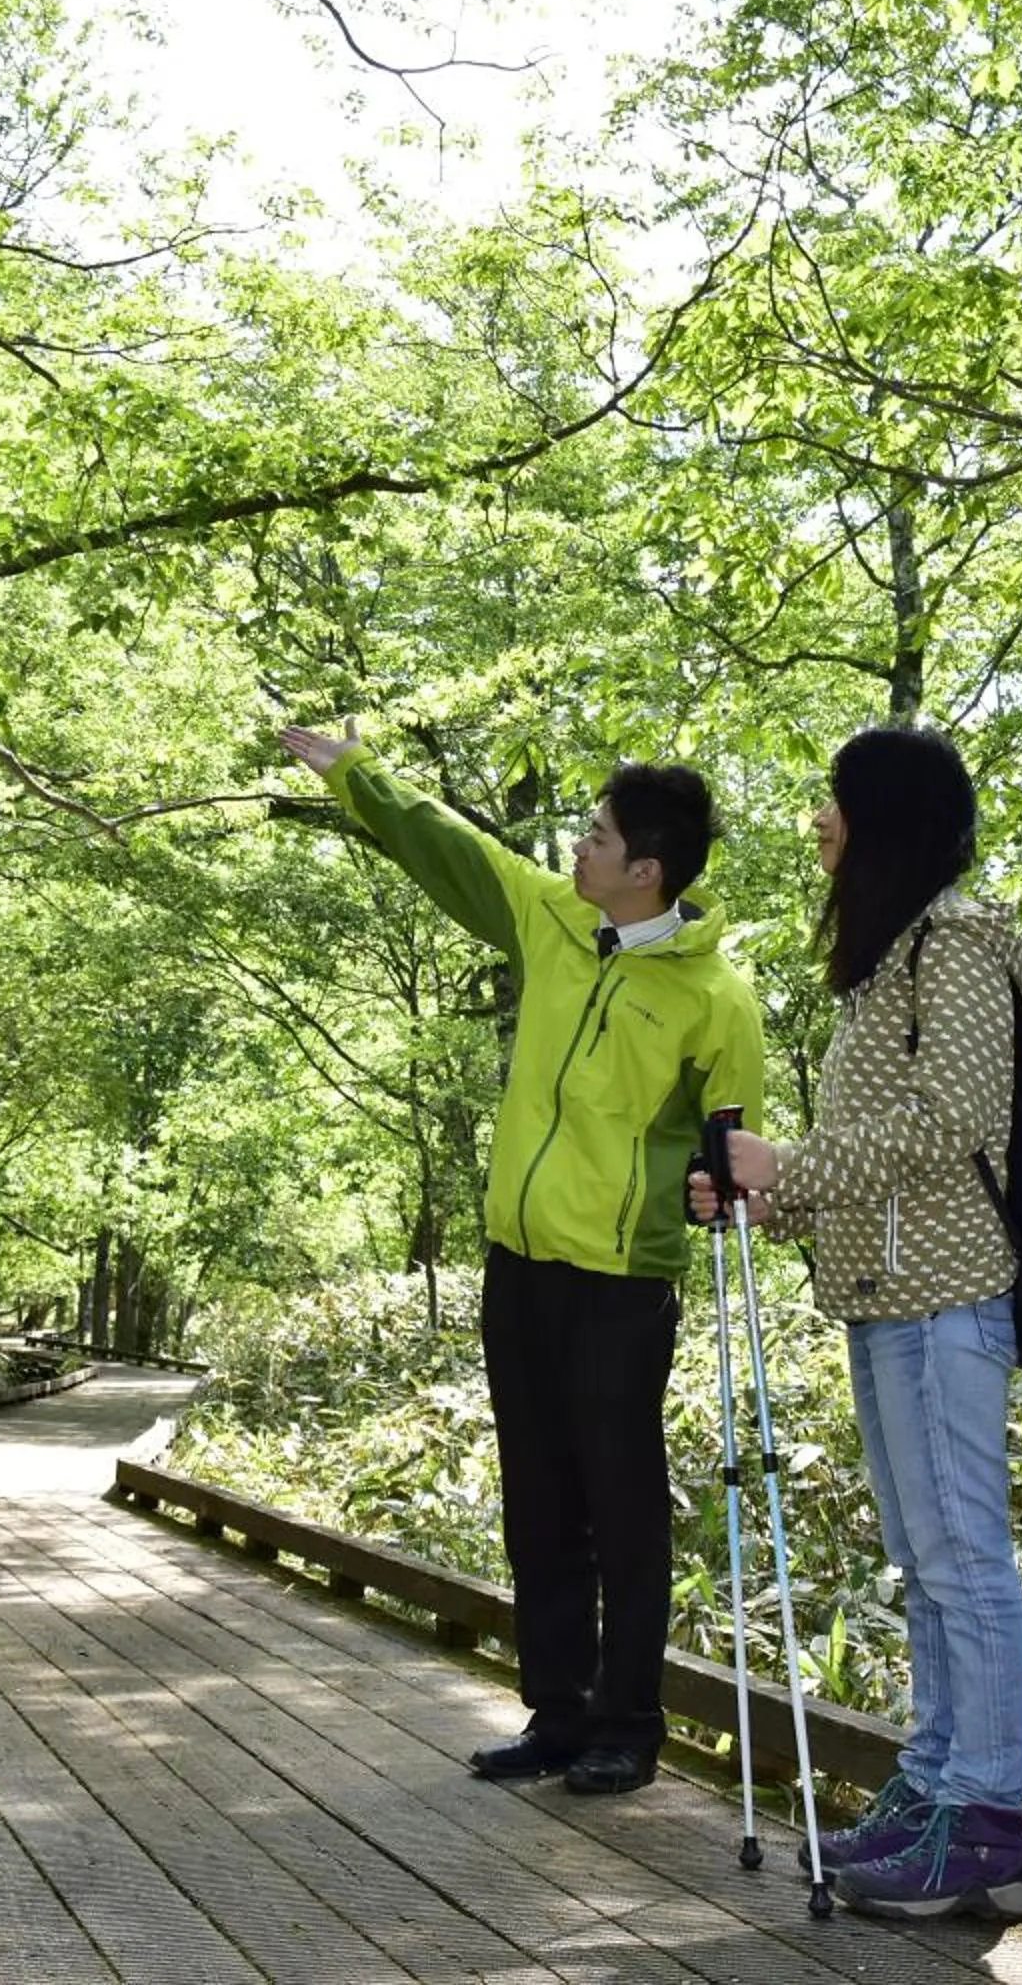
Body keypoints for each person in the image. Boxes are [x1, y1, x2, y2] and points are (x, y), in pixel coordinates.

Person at [278, 718, 766, 1796]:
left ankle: (627, 1725)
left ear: (646, 870)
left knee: (620, 1508)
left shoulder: (717, 1001)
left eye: (599, 837)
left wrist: (715, 1186)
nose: (578, 848)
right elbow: (449, 847)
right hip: (520, 1262)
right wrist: (356, 775)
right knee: (538, 1498)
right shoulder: (551, 916)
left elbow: (735, 1149)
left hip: (622, 1283)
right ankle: (557, 1711)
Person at [686, 725, 1022, 1920]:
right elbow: (874, 1152)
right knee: (928, 1555)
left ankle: (985, 1816)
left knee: (962, 1556)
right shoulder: (896, 955)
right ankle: (939, 1783)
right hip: (889, 1294)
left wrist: (789, 1163)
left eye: (835, 799)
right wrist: (766, 1193)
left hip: (946, 1294)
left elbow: (954, 1122)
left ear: (885, 815)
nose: (819, 820)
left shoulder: (958, 943)